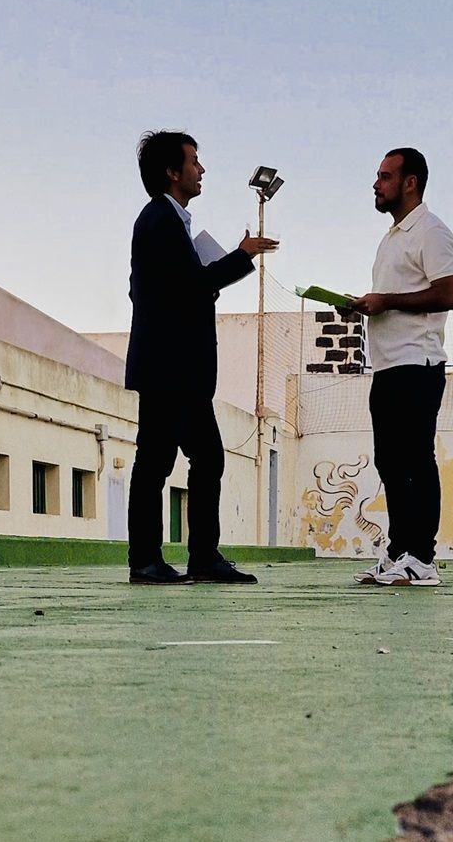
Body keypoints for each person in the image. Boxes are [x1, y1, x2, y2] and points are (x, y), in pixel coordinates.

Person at [124, 130, 278, 585]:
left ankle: (172, 559)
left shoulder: (168, 222)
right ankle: (175, 559)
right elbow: (188, 288)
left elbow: (169, 288)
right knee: (180, 460)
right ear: (173, 172)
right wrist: (241, 256)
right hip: (172, 370)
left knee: (174, 459)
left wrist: (212, 274)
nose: (201, 169)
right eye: (194, 161)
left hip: (170, 369)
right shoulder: (160, 221)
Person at [348, 147, 453, 587]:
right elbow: (391, 299)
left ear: (409, 182)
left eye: (384, 176)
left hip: (419, 364)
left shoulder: (431, 231)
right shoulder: (391, 237)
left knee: (416, 460)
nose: (376, 184)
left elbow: (447, 294)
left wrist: (386, 301)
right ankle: (399, 554)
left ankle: (423, 559)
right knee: (390, 464)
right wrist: (364, 306)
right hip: (388, 367)